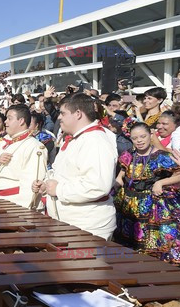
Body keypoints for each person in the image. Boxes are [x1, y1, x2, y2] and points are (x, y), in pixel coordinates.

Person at [33, 93, 117, 239]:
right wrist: (47, 185)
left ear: (78, 114)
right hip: (72, 222)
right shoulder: (79, 138)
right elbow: (66, 173)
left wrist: (58, 189)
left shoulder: (95, 141)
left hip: (87, 225)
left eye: (63, 113)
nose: (59, 117)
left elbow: (97, 185)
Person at [115, 122, 180, 265]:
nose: (139, 140)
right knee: (130, 245)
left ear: (151, 136)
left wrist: (161, 183)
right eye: (135, 138)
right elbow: (121, 174)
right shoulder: (128, 155)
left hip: (154, 204)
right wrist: (116, 183)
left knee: (157, 243)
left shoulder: (162, 156)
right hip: (130, 204)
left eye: (143, 136)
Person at [0, 104, 47, 209]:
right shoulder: (4, 142)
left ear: (21, 121)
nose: (5, 122)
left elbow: (32, 184)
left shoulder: (35, 146)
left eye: (9, 118)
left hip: (15, 204)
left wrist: (23, 211)